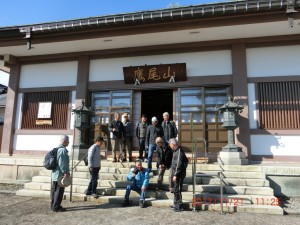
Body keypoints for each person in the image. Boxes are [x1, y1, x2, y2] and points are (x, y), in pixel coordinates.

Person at [50, 135, 70, 212]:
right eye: (68, 141)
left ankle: (53, 205)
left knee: (54, 190)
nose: (68, 143)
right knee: (59, 191)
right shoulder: (62, 150)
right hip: (60, 174)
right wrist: (66, 172)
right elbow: (62, 163)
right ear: (64, 141)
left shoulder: (57, 149)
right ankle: (56, 207)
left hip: (55, 173)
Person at [169, 138, 188, 212]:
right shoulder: (175, 151)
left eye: (170, 144)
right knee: (175, 189)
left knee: (178, 189)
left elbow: (179, 164)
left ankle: (179, 205)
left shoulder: (179, 151)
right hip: (175, 172)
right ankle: (176, 203)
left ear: (173, 144)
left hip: (179, 174)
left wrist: (176, 174)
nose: (169, 146)